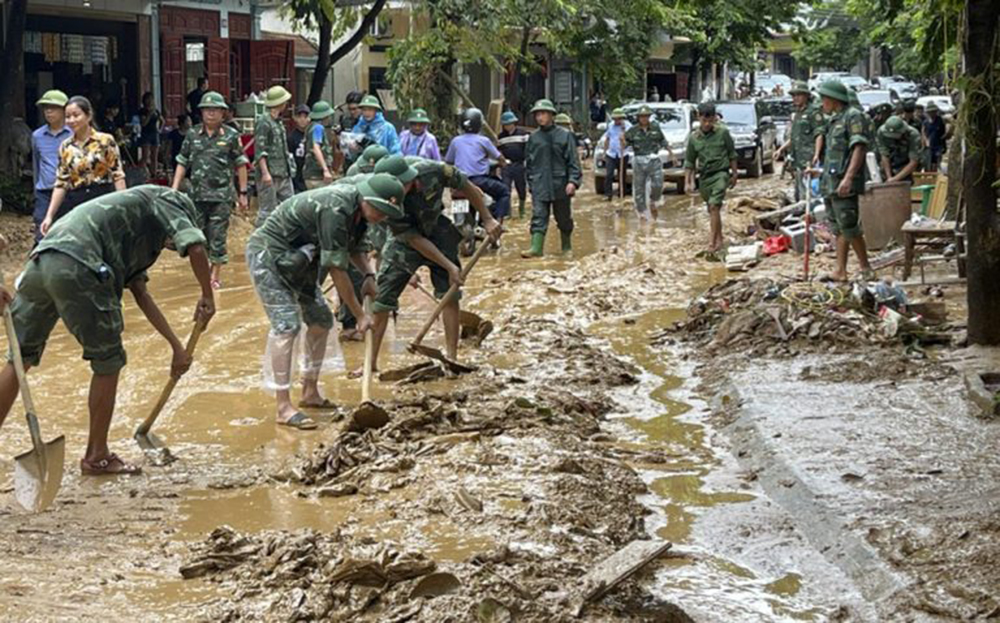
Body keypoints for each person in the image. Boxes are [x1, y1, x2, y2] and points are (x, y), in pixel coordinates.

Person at [0, 185, 215, 475]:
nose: (169, 246)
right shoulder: (168, 199)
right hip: (79, 262)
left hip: (43, 260)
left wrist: (176, 348)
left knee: (19, 357)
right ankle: (97, 456)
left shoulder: (134, 229)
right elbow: (196, 246)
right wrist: (207, 295)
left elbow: (141, 294)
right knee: (108, 361)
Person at [245, 174, 404, 430]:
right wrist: (359, 315)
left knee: (320, 320)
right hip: (270, 255)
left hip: (303, 258)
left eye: (387, 213)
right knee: (287, 326)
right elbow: (336, 269)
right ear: (367, 198)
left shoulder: (360, 213)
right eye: (380, 210)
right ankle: (283, 407)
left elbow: (354, 250)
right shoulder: (337, 206)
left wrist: (369, 275)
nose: (381, 217)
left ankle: (309, 392)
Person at [367, 155, 501, 372]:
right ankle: (370, 364)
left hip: (438, 229)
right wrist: (449, 265)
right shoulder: (387, 201)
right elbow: (413, 239)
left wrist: (487, 218)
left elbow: (466, 185)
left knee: (450, 294)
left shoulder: (434, 170)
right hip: (406, 241)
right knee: (382, 299)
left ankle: (452, 357)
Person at [171, 91, 249, 290]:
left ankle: (214, 276)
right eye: (207, 110)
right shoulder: (192, 135)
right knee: (197, 237)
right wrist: (174, 188)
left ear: (223, 114)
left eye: (215, 110)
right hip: (196, 196)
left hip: (222, 196)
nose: (211, 114)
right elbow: (182, 161)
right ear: (201, 113)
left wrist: (243, 193)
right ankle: (203, 272)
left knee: (218, 236)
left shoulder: (231, 136)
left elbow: (240, 164)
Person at [39, 96, 126, 237]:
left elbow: (118, 176)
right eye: (68, 117)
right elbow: (61, 183)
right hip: (76, 202)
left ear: (89, 115)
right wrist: (49, 216)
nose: (72, 120)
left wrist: (123, 205)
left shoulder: (106, 141)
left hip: (103, 199)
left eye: (76, 115)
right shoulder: (65, 146)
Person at [817, 80, 873, 282]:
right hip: (831, 182)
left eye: (824, 98)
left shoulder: (853, 117)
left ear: (834, 99)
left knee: (849, 226)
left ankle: (866, 268)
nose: (822, 102)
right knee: (838, 228)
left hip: (844, 182)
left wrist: (849, 177)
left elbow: (859, 147)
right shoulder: (834, 121)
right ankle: (840, 270)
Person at [521, 98, 581, 258]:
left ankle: (566, 247)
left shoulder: (565, 136)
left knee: (563, 219)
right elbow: (529, 162)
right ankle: (536, 248)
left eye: (543, 114)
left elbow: (573, 161)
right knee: (538, 216)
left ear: (551, 115)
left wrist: (573, 182)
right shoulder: (533, 138)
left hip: (560, 184)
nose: (539, 117)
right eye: (537, 114)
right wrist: (530, 183)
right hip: (540, 184)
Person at [684, 103, 738, 255]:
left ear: (715, 118)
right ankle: (720, 239)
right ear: (698, 117)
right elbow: (689, 162)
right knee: (712, 209)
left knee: (714, 206)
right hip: (705, 178)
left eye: (710, 121)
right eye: (704, 120)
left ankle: (711, 242)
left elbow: (732, 154)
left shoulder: (723, 133)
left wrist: (734, 174)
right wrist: (688, 182)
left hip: (721, 174)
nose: (707, 124)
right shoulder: (694, 138)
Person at [445, 108, 511, 221]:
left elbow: (449, 160)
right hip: (479, 180)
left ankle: (461, 224)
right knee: (504, 192)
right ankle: (497, 222)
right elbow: (499, 158)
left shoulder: (455, 141)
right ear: (479, 124)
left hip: (460, 182)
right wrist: (503, 163)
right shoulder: (483, 140)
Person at [30, 90, 72, 242]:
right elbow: (37, 164)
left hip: (69, 191)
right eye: (45, 107)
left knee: (69, 231)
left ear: (64, 110)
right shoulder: (37, 136)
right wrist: (36, 190)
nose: (48, 111)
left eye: (53, 107)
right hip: (45, 191)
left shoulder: (73, 134)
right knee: (41, 232)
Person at [775, 81, 825, 202]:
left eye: (798, 95)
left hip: (809, 158)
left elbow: (819, 134)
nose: (795, 98)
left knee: (810, 192)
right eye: (793, 96)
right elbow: (794, 137)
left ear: (806, 96)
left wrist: (817, 154)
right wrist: (781, 149)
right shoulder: (797, 114)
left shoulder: (814, 112)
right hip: (797, 159)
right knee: (799, 192)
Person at [254, 86, 295, 227]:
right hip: (270, 174)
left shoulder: (277, 121)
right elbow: (260, 150)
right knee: (267, 212)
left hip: (283, 172)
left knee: (289, 207)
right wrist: (265, 173)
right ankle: (261, 240)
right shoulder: (264, 122)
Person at [624, 105, 666, 220]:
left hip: (653, 159)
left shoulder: (655, 128)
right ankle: (641, 211)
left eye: (646, 116)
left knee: (658, 183)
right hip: (639, 159)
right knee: (639, 186)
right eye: (642, 116)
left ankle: (653, 200)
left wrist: (672, 155)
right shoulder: (633, 131)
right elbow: (625, 144)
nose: (644, 119)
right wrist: (622, 140)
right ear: (638, 118)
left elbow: (663, 141)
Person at [498, 111, 530, 218]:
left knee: (521, 187)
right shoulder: (500, 137)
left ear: (514, 123)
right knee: (505, 188)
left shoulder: (523, 134)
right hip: (506, 166)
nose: (508, 126)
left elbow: (529, 149)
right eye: (506, 124)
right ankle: (507, 212)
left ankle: (522, 209)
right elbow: (498, 151)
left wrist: (526, 162)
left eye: (510, 123)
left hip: (519, 165)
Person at [302, 101, 339, 190]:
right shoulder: (318, 128)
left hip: (309, 174)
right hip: (317, 175)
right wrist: (325, 170)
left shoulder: (309, 127)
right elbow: (316, 148)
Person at [876, 116, 922, 183]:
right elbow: (884, 155)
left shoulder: (913, 134)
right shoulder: (881, 132)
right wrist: (889, 177)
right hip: (890, 163)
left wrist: (895, 179)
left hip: (905, 165)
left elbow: (913, 161)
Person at [601, 108, 631, 202]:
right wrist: (604, 152)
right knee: (609, 174)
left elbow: (630, 140)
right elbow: (607, 138)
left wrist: (624, 134)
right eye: (615, 119)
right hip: (611, 153)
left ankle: (622, 193)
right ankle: (608, 194)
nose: (617, 121)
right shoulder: (610, 126)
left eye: (619, 119)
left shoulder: (628, 126)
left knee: (622, 174)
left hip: (623, 154)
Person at [137, 91, 163, 177]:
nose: (150, 101)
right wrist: (149, 114)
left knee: (154, 156)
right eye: (148, 99)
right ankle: (141, 172)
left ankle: (154, 173)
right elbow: (143, 123)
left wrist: (160, 129)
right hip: (146, 134)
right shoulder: (142, 111)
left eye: (151, 99)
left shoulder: (156, 110)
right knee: (145, 155)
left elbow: (162, 120)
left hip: (154, 133)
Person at [288, 105, 311, 193]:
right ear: (295, 118)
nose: (302, 120)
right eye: (299, 117)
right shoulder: (291, 137)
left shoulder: (311, 134)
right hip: (297, 171)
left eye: (305, 117)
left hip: (309, 172)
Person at [922, 102, 947, 172]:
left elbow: (946, 132)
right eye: (930, 112)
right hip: (929, 146)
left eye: (933, 112)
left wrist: (944, 137)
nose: (932, 113)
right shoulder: (926, 122)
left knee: (937, 163)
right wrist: (925, 140)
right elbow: (923, 132)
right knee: (928, 163)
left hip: (938, 145)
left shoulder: (940, 120)